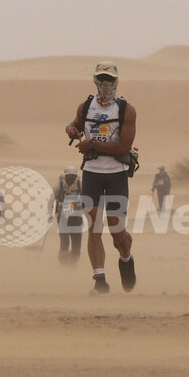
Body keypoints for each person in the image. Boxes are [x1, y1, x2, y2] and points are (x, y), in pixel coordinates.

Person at [65, 61, 136, 294]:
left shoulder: (126, 110)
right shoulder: (85, 107)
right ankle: (100, 280)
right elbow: (75, 125)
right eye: (101, 79)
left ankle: (126, 257)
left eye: (109, 79)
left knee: (117, 231)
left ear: (116, 81)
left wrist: (92, 144)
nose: (105, 84)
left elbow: (125, 146)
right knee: (94, 225)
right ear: (95, 80)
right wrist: (72, 129)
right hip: (92, 173)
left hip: (116, 174)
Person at [47, 166, 84, 264]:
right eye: (69, 177)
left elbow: (88, 198)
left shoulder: (80, 184)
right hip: (63, 218)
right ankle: (64, 263)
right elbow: (51, 200)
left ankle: (73, 262)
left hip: (76, 218)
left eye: (73, 177)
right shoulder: (60, 185)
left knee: (77, 242)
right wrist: (50, 214)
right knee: (64, 242)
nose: (70, 179)